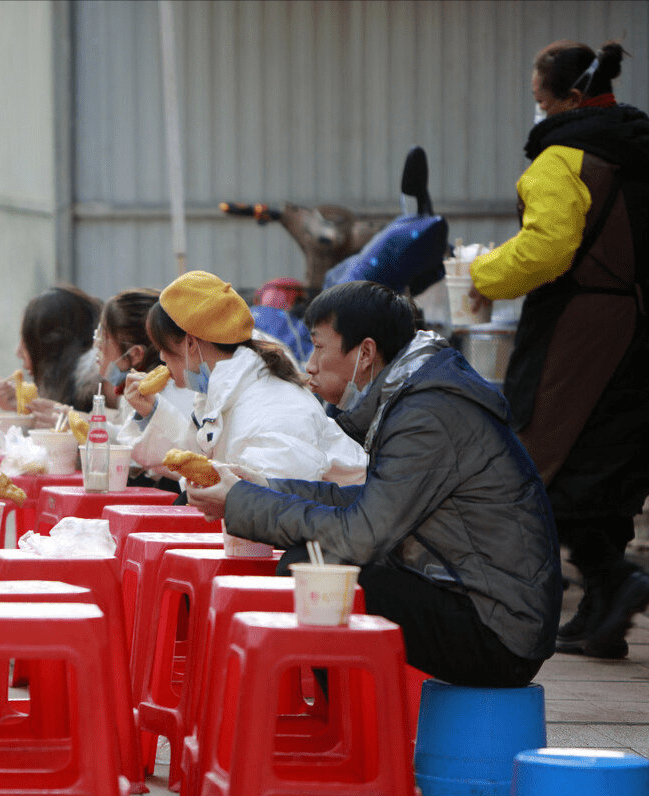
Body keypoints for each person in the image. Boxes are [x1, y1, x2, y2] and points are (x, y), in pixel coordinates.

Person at [188, 281, 561, 688]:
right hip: (483, 605)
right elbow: (365, 501)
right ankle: (350, 728)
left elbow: (360, 535)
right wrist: (261, 486)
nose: (309, 365)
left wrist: (242, 502)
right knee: (313, 564)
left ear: (364, 353)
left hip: (500, 633)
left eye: (319, 347)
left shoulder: (426, 415)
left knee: (315, 568)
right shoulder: (416, 398)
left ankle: (355, 735)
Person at [469, 40, 649, 659]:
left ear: (570, 98)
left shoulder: (563, 161)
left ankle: (615, 581)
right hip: (638, 328)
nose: (538, 110)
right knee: (613, 464)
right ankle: (602, 617)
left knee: (550, 463)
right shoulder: (636, 152)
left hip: (581, 334)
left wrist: (481, 275)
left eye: (540, 98)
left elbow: (545, 251)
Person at [120, 270, 366, 487]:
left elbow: (278, 501)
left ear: (191, 343)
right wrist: (151, 412)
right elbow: (197, 462)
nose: (161, 358)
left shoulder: (271, 405)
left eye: (164, 348)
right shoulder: (224, 394)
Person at [0, 285, 102, 415]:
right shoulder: (61, 386)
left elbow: (121, 428)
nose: (18, 352)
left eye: (26, 342)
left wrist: (66, 418)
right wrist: (22, 404)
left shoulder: (104, 383)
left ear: (52, 349)